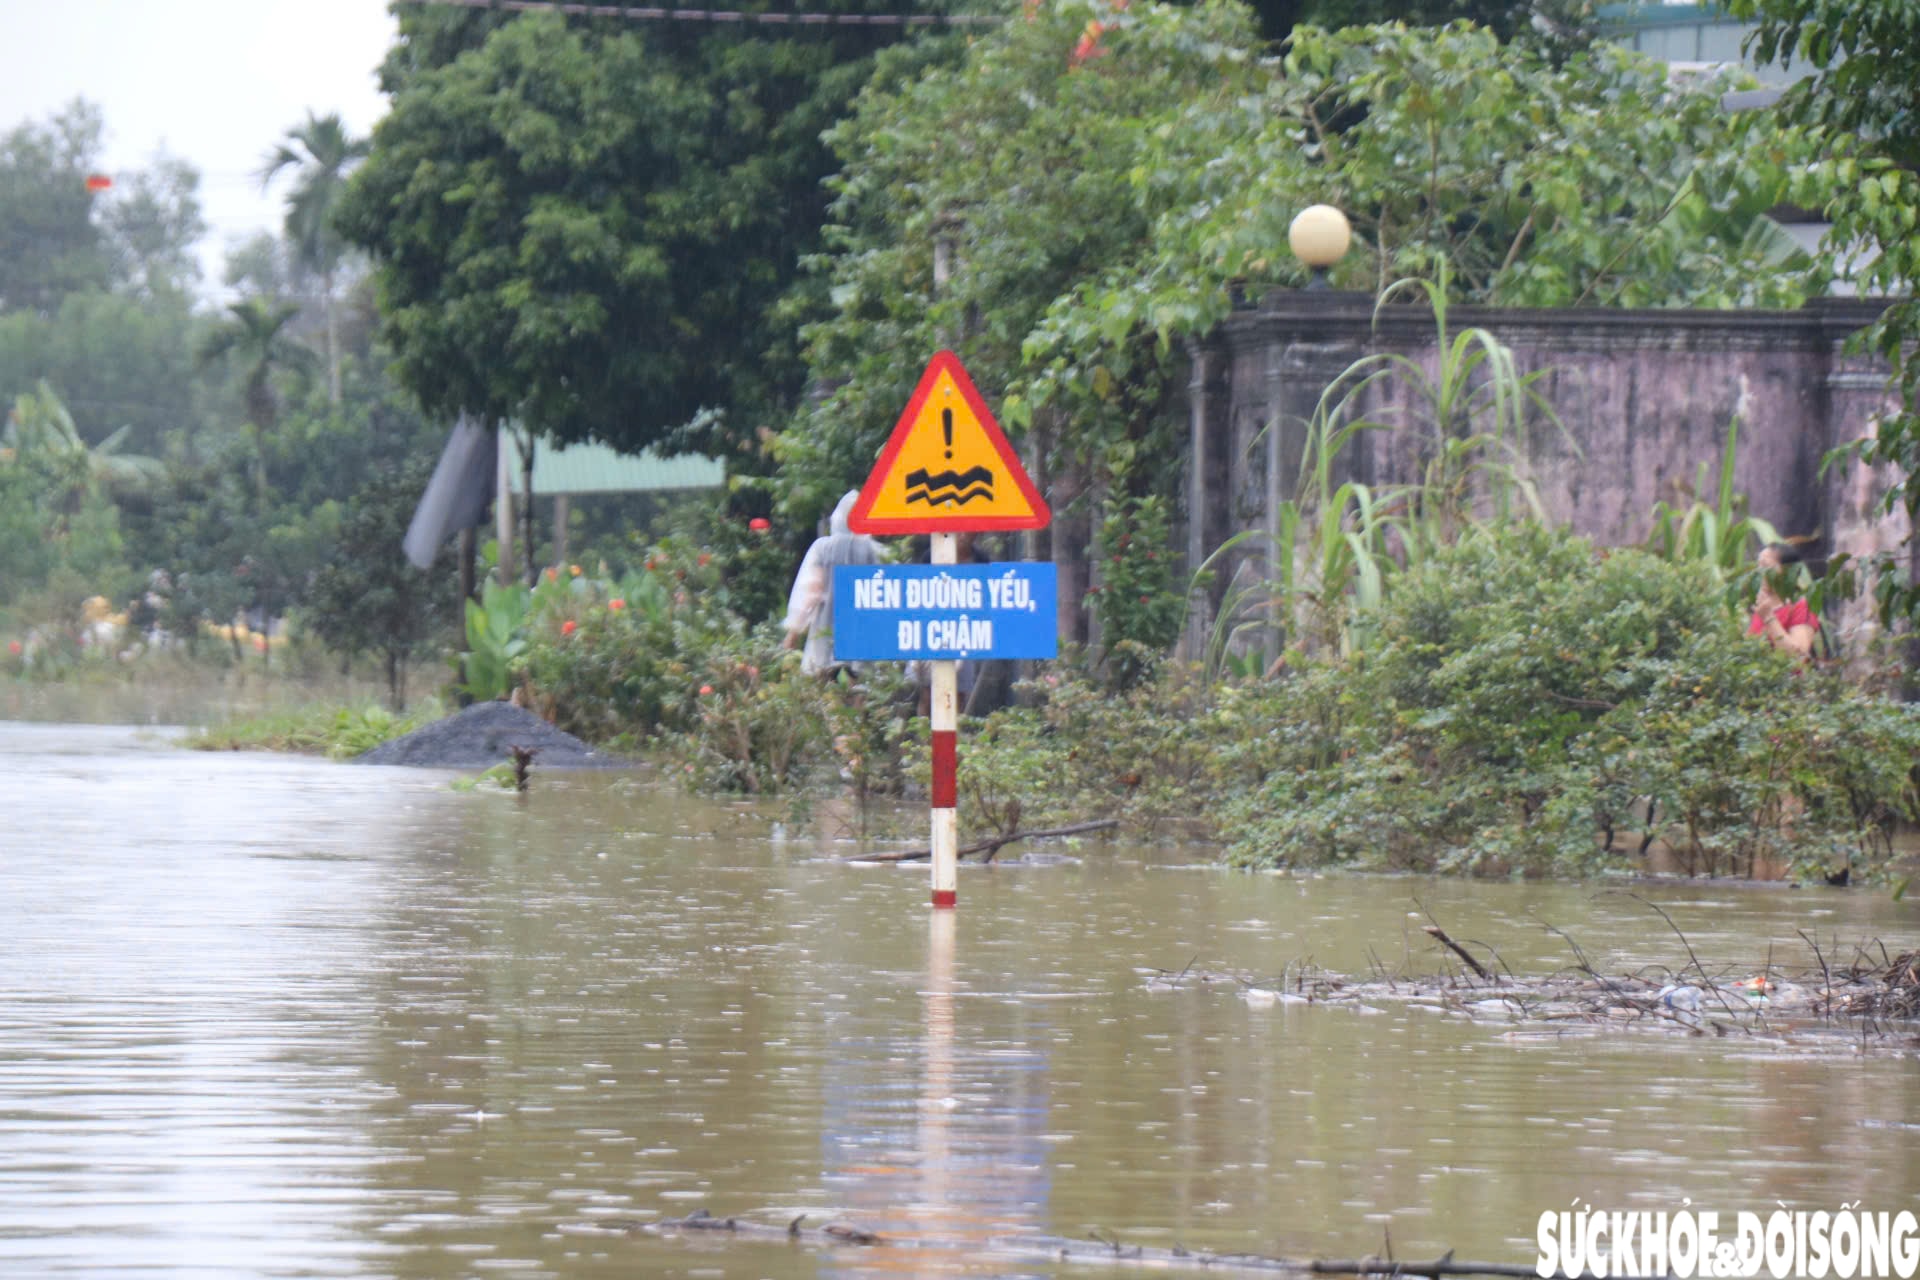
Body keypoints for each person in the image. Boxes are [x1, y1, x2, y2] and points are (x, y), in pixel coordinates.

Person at [783, 490, 879, 676]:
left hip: (825, 628)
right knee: (860, 687)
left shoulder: (823, 548)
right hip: (861, 630)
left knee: (823, 684)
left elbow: (811, 592)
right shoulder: (874, 551)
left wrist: (794, 631)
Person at [1749, 543, 1819, 661]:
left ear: (1787, 571)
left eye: (1765, 565)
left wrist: (1769, 618)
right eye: (1758, 565)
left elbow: (1799, 658)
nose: (1758, 572)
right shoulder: (1761, 608)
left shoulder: (1800, 606)